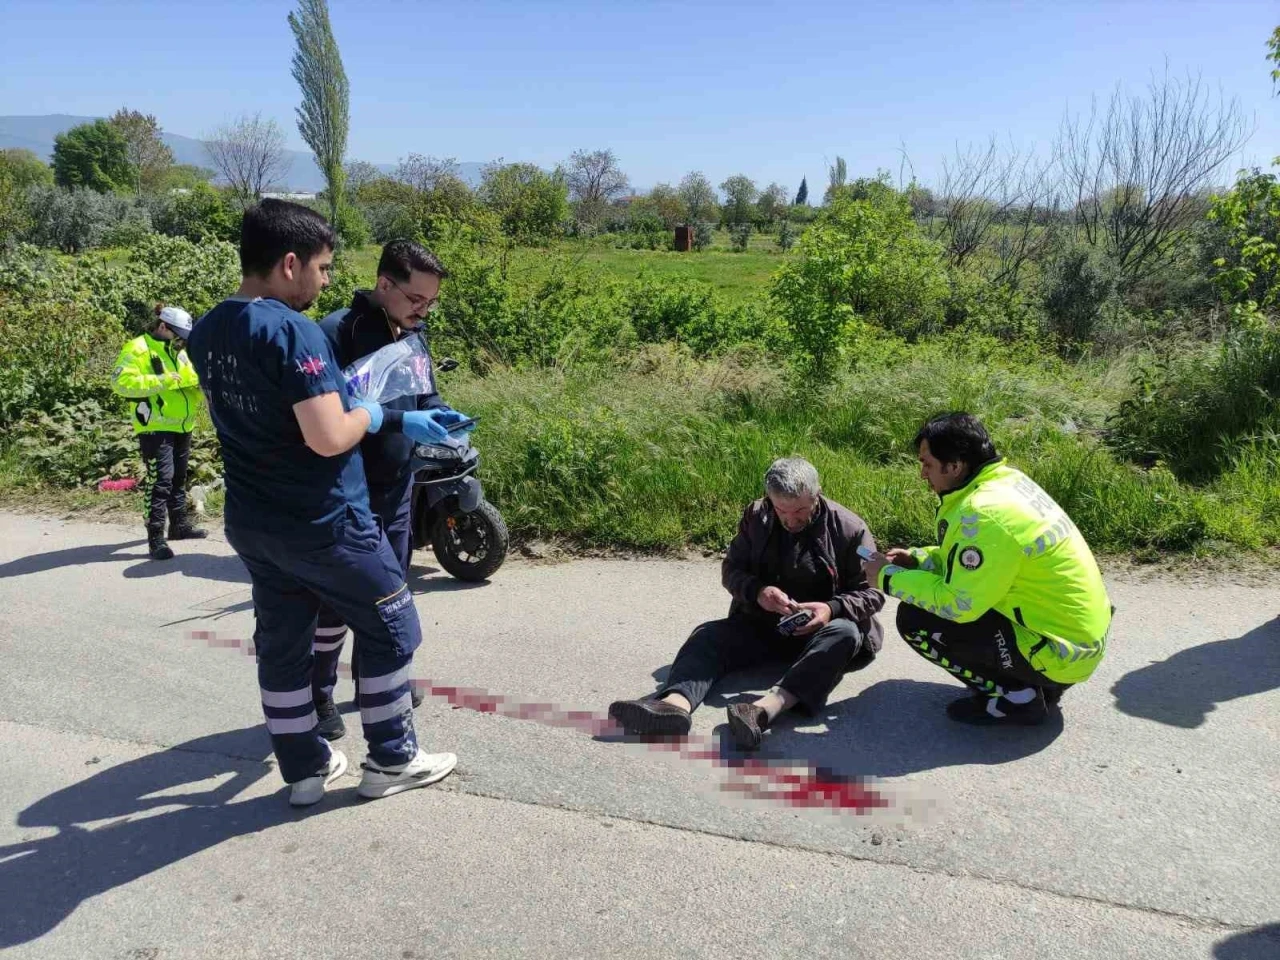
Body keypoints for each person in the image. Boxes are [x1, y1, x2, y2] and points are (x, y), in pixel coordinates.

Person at [185, 198, 461, 806]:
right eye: (324, 267)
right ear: (291, 263)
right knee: (393, 624)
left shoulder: (209, 328)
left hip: (255, 520)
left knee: (284, 644)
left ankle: (305, 770)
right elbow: (329, 435)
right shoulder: (295, 329)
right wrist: (378, 415)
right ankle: (393, 759)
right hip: (324, 518)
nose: (328, 281)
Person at [310, 239, 474, 740]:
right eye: (416, 299)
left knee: (391, 593)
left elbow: (423, 393)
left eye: (432, 302)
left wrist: (442, 415)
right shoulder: (335, 333)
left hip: (399, 485)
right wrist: (403, 421)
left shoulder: (413, 333)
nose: (424, 310)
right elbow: (330, 417)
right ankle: (318, 693)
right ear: (384, 284)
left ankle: (374, 680)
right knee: (337, 601)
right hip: (347, 492)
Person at [608, 457, 885, 750]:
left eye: (800, 510)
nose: (791, 521)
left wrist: (830, 609)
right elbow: (732, 570)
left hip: (821, 634)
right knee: (708, 635)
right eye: (782, 511)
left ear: (817, 495)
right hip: (765, 624)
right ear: (769, 499)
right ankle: (673, 706)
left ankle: (762, 711)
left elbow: (873, 593)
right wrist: (758, 592)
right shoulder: (757, 516)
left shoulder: (850, 529)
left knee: (845, 633)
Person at [861, 412, 1113, 726]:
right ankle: (1036, 681)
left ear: (954, 466)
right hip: (1074, 640)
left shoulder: (982, 514)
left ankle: (1018, 699)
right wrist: (919, 560)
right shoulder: (1005, 483)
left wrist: (886, 578)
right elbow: (976, 562)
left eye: (927, 464)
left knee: (916, 618)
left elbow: (958, 604)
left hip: (1060, 653)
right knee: (944, 598)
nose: (922, 474)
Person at [111, 304, 206, 560]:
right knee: (160, 481)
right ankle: (155, 538)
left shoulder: (178, 351)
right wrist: (163, 381)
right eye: (176, 334)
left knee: (178, 478)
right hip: (155, 425)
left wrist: (200, 387)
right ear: (163, 326)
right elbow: (120, 383)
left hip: (183, 424)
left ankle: (179, 525)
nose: (179, 340)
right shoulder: (137, 348)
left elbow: (188, 380)